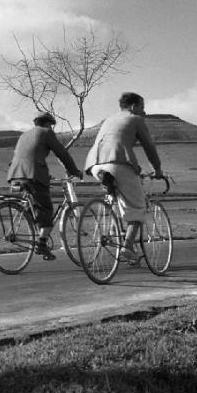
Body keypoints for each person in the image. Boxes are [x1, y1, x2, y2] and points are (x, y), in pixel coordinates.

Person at [84, 92, 163, 264]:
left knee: (118, 198)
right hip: (118, 162)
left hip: (95, 165)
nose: (144, 112)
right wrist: (157, 169)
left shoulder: (109, 120)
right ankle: (127, 247)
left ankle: (114, 230)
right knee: (137, 208)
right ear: (134, 107)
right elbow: (149, 146)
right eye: (142, 107)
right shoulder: (136, 120)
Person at [7, 111, 83, 260]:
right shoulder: (46, 133)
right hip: (33, 174)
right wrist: (74, 171)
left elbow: (26, 155)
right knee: (46, 209)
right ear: (48, 123)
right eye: (51, 125)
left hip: (15, 174)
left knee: (34, 206)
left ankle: (33, 227)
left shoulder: (24, 135)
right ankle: (41, 244)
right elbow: (62, 154)